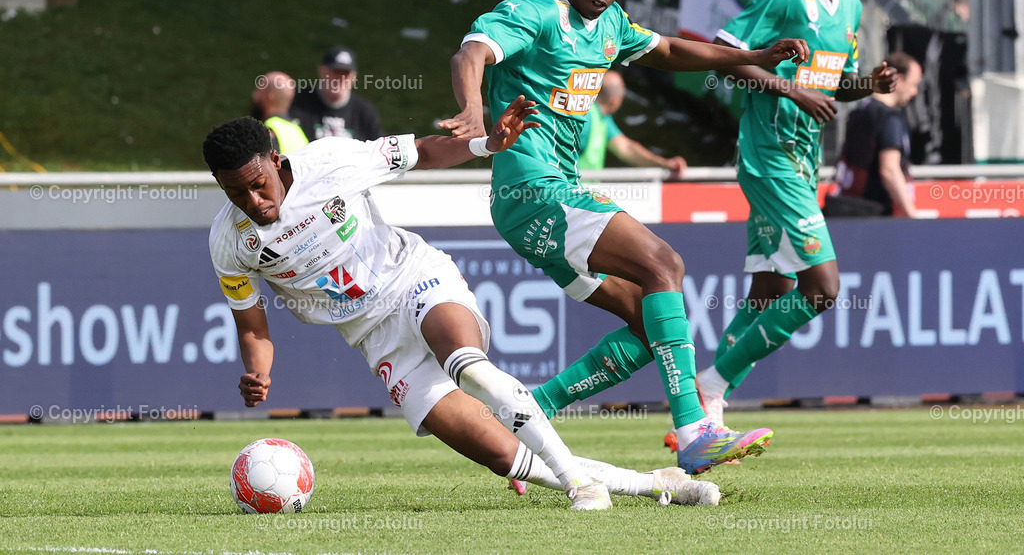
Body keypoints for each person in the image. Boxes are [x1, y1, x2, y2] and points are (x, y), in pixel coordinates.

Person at [440, 0, 829, 475]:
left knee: (652, 325)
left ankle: (532, 411)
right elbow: (470, 54)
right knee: (664, 264)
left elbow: (669, 51)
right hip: (534, 191)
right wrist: (475, 113)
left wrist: (755, 57)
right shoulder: (534, 14)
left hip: (549, 199)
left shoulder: (610, 24)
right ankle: (694, 431)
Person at [204, 100, 719, 510]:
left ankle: (582, 486)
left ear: (277, 160)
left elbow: (423, 152)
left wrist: (485, 144)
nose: (254, 202)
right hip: (374, 338)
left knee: (467, 366)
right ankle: (656, 484)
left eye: (259, 185)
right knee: (502, 455)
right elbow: (252, 325)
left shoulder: (331, 161)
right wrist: (259, 373)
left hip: (414, 281)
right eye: (236, 194)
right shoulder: (229, 241)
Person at [684, 0, 898, 431]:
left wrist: (868, 84)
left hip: (804, 165)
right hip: (769, 156)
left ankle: (700, 417)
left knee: (772, 290)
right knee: (823, 288)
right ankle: (711, 384)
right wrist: (791, 89)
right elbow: (725, 52)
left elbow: (836, 87)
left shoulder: (849, 7)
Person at [830, 52, 922, 218]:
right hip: (873, 213)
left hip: (845, 207)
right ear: (899, 80)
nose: (914, 92)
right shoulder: (889, 118)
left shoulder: (859, 112)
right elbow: (890, 170)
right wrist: (912, 216)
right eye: (913, 84)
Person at [578, 70, 687, 177]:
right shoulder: (587, 116)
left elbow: (627, 148)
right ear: (616, 100)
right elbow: (627, 149)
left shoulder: (601, 117)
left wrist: (664, 163)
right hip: (572, 191)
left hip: (581, 190)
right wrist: (664, 163)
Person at [290, 46, 383, 142]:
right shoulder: (298, 102)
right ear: (321, 71)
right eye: (336, 72)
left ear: (354, 76)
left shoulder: (364, 112)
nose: (340, 78)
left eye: (345, 74)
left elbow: (378, 149)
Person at [250, 71, 309, 154]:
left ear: (270, 97)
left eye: (258, 90)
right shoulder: (298, 131)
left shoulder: (268, 131)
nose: (254, 95)